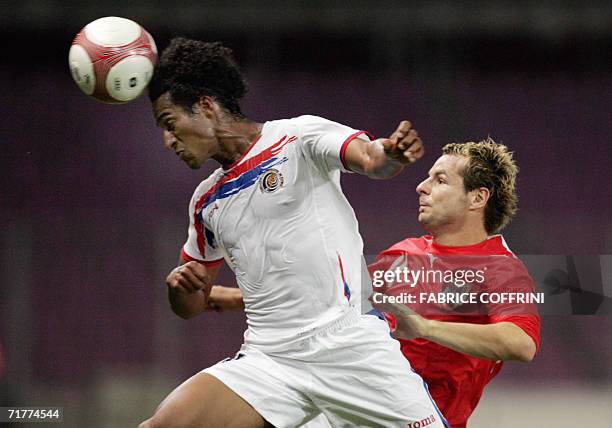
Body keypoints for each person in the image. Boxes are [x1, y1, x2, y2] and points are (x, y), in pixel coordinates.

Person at [139, 37, 448, 428]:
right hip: (270, 360)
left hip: (348, 345)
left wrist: (392, 155)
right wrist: (179, 289)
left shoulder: (296, 138)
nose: (168, 141)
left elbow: (372, 159)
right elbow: (193, 304)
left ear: (205, 106)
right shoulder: (205, 202)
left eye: (170, 125)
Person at [369, 139, 541, 428]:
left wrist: (426, 328)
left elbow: (521, 343)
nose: (421, 187)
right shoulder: (400, 253)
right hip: (353, 409)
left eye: (440, 180)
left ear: (477, 198)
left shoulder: (501, 267)